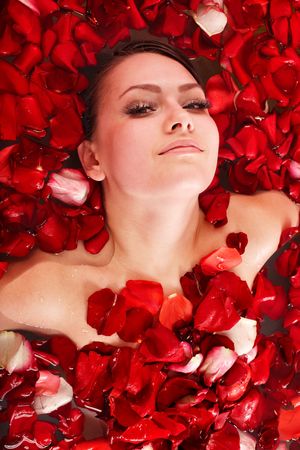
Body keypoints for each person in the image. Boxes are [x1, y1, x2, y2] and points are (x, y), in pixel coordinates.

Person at [0, 40, 298, 350]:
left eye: (195, 104)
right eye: (141, 108)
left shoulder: (267, 224)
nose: (182, 119)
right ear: (93, 159)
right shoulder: (47, 293)